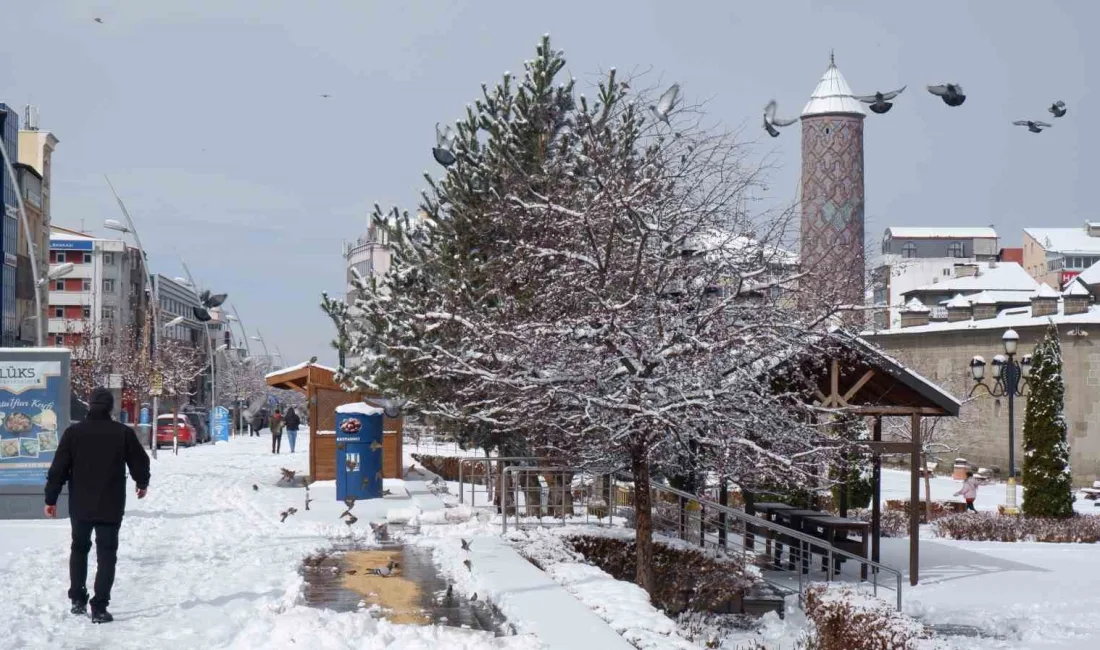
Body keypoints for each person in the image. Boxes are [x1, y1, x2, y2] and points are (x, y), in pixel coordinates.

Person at [44, 387, 151, 624]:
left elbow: (58, 469)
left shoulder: (74, 433)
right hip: (111, 505)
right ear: (111, 407)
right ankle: (100, 607)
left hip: (80, 505)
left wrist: (50, 499)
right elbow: (139, 461)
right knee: (107, 554)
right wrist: (142, 483)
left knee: (79, 548)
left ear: (89, 405)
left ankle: (77, 600)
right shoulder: (122, 433)